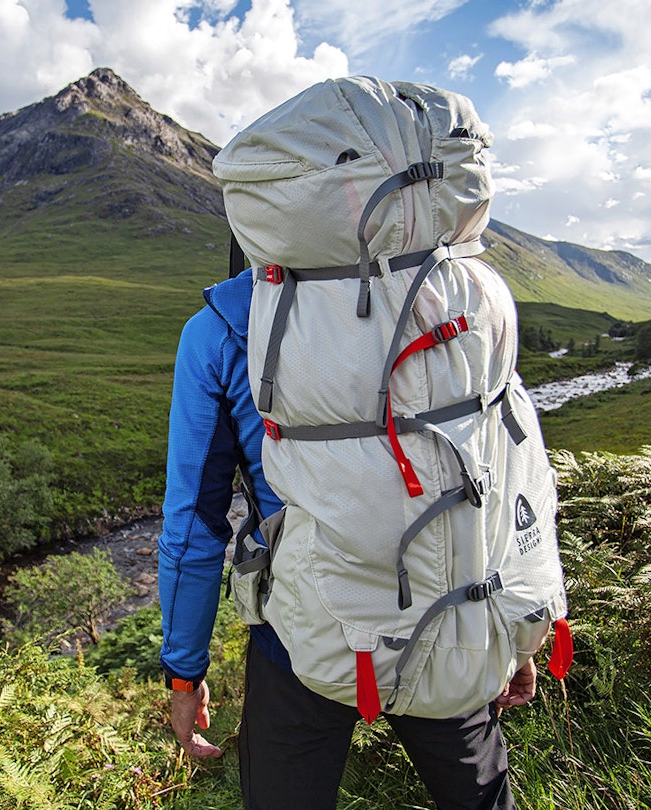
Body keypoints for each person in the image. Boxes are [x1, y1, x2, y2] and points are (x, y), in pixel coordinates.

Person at [157, 264, 540, 810]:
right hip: (449, 610)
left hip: (298, 633)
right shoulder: (456, 295)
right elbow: (504, 474)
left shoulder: (222, 329)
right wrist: (514, 627)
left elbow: (193, 526)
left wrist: (184, 673)